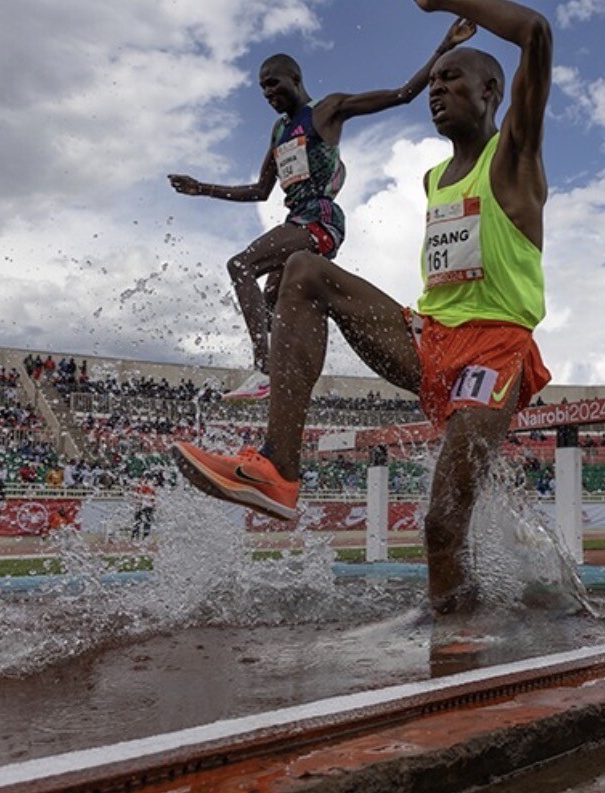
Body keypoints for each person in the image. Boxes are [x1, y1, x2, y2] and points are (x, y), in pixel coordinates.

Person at [172, 0, 554, 615]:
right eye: (433, 80)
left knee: (441, 525)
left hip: (493, 351)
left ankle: (460, 641)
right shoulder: (434, 178)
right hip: (431, 339)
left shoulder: (513, 158)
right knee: (303, 271)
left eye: (451, 78)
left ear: (491, 91)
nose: (436, 89)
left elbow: (535, 32)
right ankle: (278, 466)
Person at [168, 18, 476, 402]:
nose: (268, 93)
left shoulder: (327, 109)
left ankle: (263, 369)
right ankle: (296, 372)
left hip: (319, 218)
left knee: (241, 265)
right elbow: (260, 191)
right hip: (295, 220)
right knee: (274, 305)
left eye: (273, 83)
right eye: (262, 88)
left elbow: (402, 94)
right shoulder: (279, 132)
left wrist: (444, 45)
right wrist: (201, 188)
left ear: (295, 79)